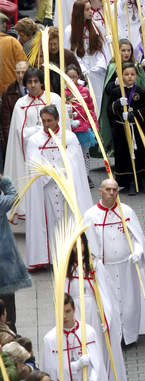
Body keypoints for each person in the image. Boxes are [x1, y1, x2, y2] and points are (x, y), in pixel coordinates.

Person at [83, 177, 145, 344]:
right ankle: (115, 337)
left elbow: (137, 238)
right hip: (104, 269)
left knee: (130, 304)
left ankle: (130, 336)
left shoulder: (126, 212)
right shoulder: (90, 216)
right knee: (110, 304)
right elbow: (87, 244)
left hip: (127, 267)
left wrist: (138, 251)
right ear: (100, 191)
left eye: (115, 190)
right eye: (108, 190)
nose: (112, 193)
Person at [23, 105, 92, 269]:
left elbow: (75, 162)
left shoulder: (69, 138)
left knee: (68, 221)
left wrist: (62, 172)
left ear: (57, 120)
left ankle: (71, 255)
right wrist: (50, 173)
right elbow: (34, 163)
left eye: (50, 121)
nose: (46, 124)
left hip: (66, 187)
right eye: (43, 121)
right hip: (46, 188)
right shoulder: (35, 140)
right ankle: (52, 258)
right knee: (50, 223)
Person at [65, 234, 129, 381]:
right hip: (74, 313)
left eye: (81, 245)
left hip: (93, 311)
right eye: (75, 245)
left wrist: (106, 316)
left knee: (98, 350)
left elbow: (104, 292)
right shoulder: (66, 267)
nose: (78, 249)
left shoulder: (94, 264)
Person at [4, 68, 61, 194]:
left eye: (36, 81)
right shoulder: (21, 104)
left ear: (42, 82)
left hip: (52, 151)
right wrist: (40, 130)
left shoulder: (54, 99)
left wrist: (36, 131)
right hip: (30, 153)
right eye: (29, 82)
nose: (33, 85)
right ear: (25, 84)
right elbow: (21, 133)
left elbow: (61, 127)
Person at [106, 61, 145, 195]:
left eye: (132, 74)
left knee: (140, 154)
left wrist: (133, 115)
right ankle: (128, 181)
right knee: (125, 155)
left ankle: (142, 179)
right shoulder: (116, 92)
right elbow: (109, 110)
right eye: (126, 74)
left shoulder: (140, 91)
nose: (129, 77)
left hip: (137, 129)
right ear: (121, 76)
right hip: (122, 130)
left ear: (136, 76)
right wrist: (117, 105)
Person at [65, 0, 108, 112]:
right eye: (87, 9)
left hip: (97, 71)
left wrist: (99, 65)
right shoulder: (69, 30)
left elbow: (102, 49)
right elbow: (70, 53)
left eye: (90, 9)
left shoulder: (96, 26)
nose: (91, 12)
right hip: (81, 71)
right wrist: (82, 69)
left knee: (99, 101)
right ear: (80, 12)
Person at [0, 174, 31, 328]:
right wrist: (3, 181)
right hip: (3, 265)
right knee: (8, 304)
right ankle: (9, 331)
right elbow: (14, 196)